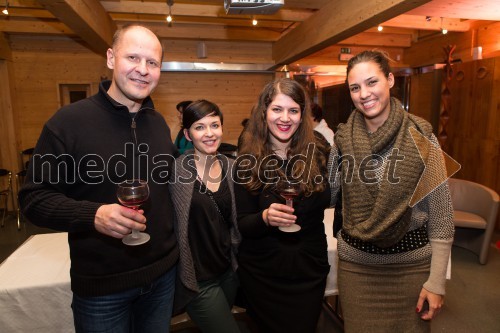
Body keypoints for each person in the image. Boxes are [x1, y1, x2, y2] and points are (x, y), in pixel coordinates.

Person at [19, 24, 179, 333]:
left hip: (162, 277)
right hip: (103, 289)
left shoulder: (158, 123)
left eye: (153, 63)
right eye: (133, 57)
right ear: (110, 58)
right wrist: (92, 214)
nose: (143, 70)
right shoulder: (67, 123)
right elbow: (33, 198)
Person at [332, 50, 454, 332]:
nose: (364, 93)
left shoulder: (423, 137)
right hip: (356, 269)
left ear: (389, 80)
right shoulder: (341, 142)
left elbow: (441, 214)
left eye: (371, 82)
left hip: (411, 271)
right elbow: (326, 196)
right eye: (355, 87)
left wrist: (436, 282)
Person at [234, 78, 333, 333]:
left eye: (293, 110)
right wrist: (265, 217)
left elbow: (332, 197)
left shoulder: (320, 148)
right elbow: (242, 222)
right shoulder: (248, 155)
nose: (285, 118)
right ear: (264, 112)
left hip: (309, 269)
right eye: (277, 109)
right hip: (264, 273)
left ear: (303, 115)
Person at [170, 100, 241, 333]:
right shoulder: (175, 173)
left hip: (228, 272)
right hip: (198, 280)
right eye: (200, 127)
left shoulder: (233, 168)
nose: (209, 133)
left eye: (215, 125)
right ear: (187, 135)